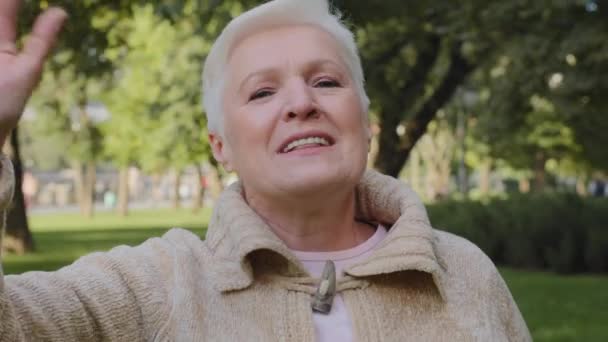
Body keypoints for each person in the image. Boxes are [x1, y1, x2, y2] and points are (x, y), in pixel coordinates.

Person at [0, 0, 531, 340]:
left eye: (326, 82)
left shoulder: (464, 273)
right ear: (220, 146)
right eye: (262, 91)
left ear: (366, 124)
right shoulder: (160, 283)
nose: (301, 102)